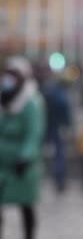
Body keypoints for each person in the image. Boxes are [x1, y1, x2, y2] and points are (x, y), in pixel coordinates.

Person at [0, 56, 45, 239]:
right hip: (2, 164)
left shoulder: (31, 102)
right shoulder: (4, 100)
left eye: (13, 76)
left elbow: (33, 134)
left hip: (23, 165)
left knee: (26, 205)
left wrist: (25, 157)